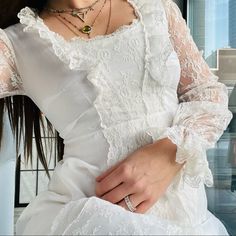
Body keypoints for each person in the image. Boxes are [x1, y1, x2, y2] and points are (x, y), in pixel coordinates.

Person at [0, 0, 233, 234]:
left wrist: (170, 152)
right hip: (92, 217)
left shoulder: (156, 8)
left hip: (190, 216)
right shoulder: (15, 42)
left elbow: (207, 94)